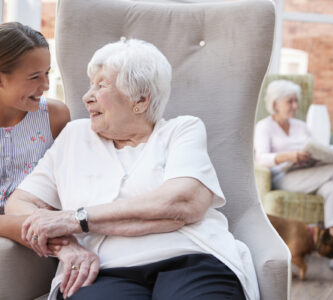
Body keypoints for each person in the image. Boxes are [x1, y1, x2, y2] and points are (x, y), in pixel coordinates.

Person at [6, 39, 259, 300]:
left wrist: (76, 219)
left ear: (140, 99)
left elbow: (182, 202)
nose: (86, 96)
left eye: (101, 85)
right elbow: (21, 203)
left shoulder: (180, 130)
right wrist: (65, 245)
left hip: (191, 257)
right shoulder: (75, 135)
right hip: (100, 269)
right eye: (91, 85)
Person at [254, 79, 333, 271]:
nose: (295, 106)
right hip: (284, 177)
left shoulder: (302, 126)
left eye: (296, 101)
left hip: (312, 174)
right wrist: (288, 156)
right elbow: (261, 159)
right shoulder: (264, 126)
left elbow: (319, 149)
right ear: (275, 103)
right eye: (290, 101)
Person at [0, 22, 70, 247]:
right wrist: (18, 226)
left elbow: (68, 188)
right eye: (34, 77)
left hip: (45, 230)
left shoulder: (55, 117)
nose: (46, 85)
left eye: (47, 73)